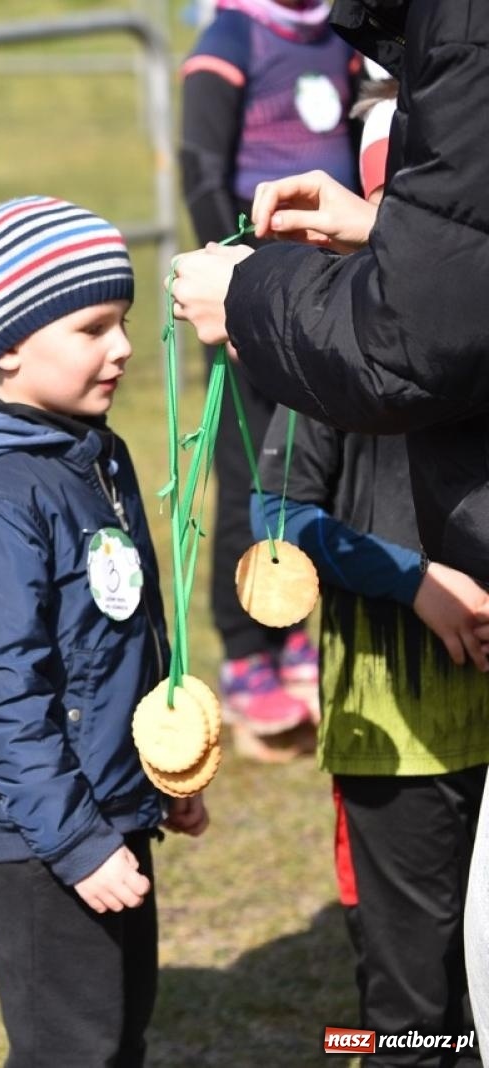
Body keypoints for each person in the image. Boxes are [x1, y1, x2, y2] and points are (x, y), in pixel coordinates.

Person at [167, 0, 489, 1034]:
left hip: (472, 711)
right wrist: (414, 582)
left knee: (469, 968)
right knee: (404, 995)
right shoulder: (327, 343)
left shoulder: (447, 334)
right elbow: (277, 512)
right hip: (389, 726)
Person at [0, 197, 209, 1065]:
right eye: (91, 326)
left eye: (123, 323)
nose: (120, 347)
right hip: (46, 831)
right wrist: (72, 839)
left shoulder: (88, 452)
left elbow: (115, 631)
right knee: (68, 1045)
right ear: (9, 344)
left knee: (118, 1029)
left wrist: (163, 767)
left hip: (110, 800)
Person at [254, 402, 487, 1066]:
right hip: (394, 740)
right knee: (411, 1011)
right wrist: (413, 582)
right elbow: (276, 518)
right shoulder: (330, 358)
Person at [178, 0, 361, 756]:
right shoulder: (231, 35)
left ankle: (292, 635)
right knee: (248, 475)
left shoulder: (344, 36)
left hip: (331, 298)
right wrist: (238, 287)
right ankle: (245, 648)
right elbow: (198, 167)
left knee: (314, 474)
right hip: (248, 304)